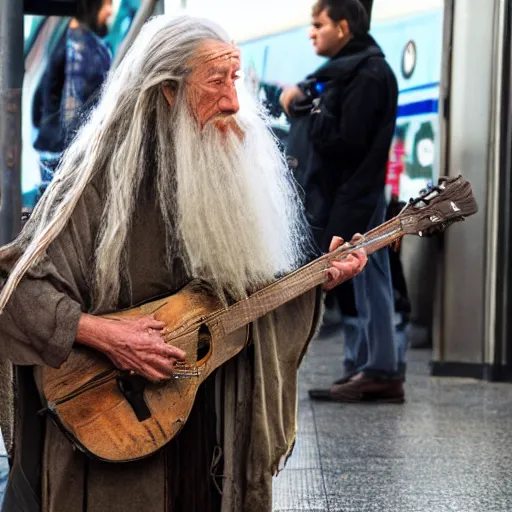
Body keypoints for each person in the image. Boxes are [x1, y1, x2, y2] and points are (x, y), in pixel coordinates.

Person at [0, 16, 367, 512]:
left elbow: (240, 313)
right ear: (168, 91)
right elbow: (15, 289)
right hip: (115, 438)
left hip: (206, 433)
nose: (234, 102)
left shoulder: (224, 175)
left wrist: (317, 280)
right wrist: (105, 335)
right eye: (216, 81)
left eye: (235, 80)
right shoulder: (94, 186)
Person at [280, 0, 406, 402]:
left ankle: (380, 368)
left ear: (344, 27)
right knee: (365, 279)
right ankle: (365, 363)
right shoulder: (350, 70)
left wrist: (312, 114)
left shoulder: (369, 74)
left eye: (319, 24)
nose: (311, 32)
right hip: (352, 192)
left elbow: (347, 142)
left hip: (357, 194)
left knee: (370, 279)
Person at [32, 0, 113, 199]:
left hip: (51, 149)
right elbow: (75, 109)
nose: (110, 11)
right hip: (67, 156)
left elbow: (39, 97)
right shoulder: (82, 47)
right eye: (107, 4)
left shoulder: (64, 38)